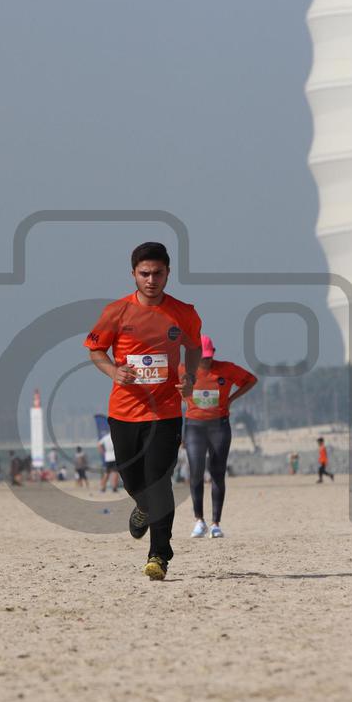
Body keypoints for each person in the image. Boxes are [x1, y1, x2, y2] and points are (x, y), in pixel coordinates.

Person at [85, 241, 202, 580]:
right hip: (124, 412)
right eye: (145, 274)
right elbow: (95, 350)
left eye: (158, 273)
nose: (151, 280)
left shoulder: (184, 312)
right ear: (134, 274)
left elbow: (194, 347)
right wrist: (113, 371)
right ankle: (142, 507)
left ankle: (159, 556)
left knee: (159, 481)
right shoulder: (116, 312)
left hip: (165, 412)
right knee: (134, 481)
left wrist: (190, 378)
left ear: (168, 273)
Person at [180, 335, 257, 538]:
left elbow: (251, 380)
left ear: (213, 353)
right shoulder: (183, 370)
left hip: (219, 426)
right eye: (202, 357)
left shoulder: (226, 368)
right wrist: (182, 396)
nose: (206, 361)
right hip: (194, 426)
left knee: (217, 472)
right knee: (196, 471)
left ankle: (215, 524)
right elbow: (167, 387)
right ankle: (199, 520)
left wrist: (231, 399)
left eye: (208, 357)